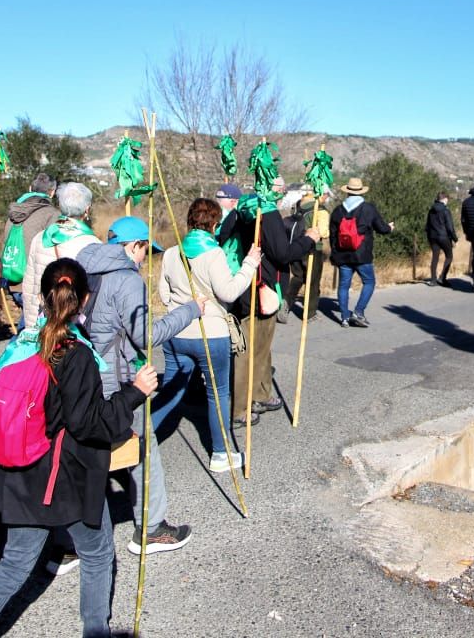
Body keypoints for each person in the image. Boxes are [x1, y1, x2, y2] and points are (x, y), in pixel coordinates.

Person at [0, 259, 158, 638]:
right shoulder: (75, 353)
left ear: (43, 298)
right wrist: (135, 393)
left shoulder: (21, 342)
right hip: (67, 475)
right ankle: (95, 631)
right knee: (96, 553)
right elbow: (86, 422)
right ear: (84, 299)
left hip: (19, 469)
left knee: (13, 564)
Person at [80, 216, 202, 554]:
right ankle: (151, 529)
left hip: (81, 373)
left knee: (79, 455)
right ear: (134, 245)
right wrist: (191, 310)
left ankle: (67, 541)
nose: (144, 259)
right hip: (119, 379)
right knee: (143, 451)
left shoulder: (80, 266)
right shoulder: (126, 280)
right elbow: (146, 337)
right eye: (145, 251)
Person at [155, 198, 260, 469]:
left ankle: (142, 440)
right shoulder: (214, 254)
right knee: (218, 392)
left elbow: (164, 295)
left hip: (176, 331)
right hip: (210, 332)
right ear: (213, 224)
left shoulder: (171, 253)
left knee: (172, 390)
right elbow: (228, 292)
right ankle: (220, 454)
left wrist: (182, 306)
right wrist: (250, 265)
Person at [230, 177, 321, 422]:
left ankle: (259, 394)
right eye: (278, 186)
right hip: (261, 289)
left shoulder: (244, 207)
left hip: (248, 285)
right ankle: (240, 407)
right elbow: (282, 253)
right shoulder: (267, 212)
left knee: (259, 348)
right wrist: (309, 239)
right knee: (250, 350)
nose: (282, 191)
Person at [22, 182, 99, 328]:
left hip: (42, 320)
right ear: (87, 209)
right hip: (72, 325)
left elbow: (30, 286)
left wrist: (31, 325)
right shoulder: (92, 243)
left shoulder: (40, 238)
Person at [328, 178, 393, 328]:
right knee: (369, 282)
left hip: (343, 255)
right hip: (362, 255)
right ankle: (358, 312)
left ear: (347, 192)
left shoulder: (338, 211)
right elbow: (382, 228)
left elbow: (332, 235)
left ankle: (344, 317)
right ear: (360, 191)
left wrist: (335, 254)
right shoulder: (368, 208)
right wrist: (389, 228)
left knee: (343, 286)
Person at [2, 173, 58, 308]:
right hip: (36, 285)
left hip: (13, 280)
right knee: (34, 325)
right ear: (52, 192)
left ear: (30, 188)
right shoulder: (52, 214)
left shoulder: (14, 212)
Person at [283, 188, 329, 323]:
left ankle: (286, 302)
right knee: (312, 280)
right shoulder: (320, 210)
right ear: (323, 194)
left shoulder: (299, 204)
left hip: (295, 246)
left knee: (298, 277)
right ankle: (309, 313)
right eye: (326, 195)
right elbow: (323, 232)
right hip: (312, 249)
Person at [424, 191, 458, 287]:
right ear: (444, 199)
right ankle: (442, 278)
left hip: (433, 237)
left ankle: (433, 280)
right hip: (444, 237)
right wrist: (455, 239)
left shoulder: (431, 210)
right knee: (449, 256)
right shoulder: (446, 211)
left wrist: (430, 237)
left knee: (435, 258)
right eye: (447, 199)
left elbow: (427, 226)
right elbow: (450, 227)